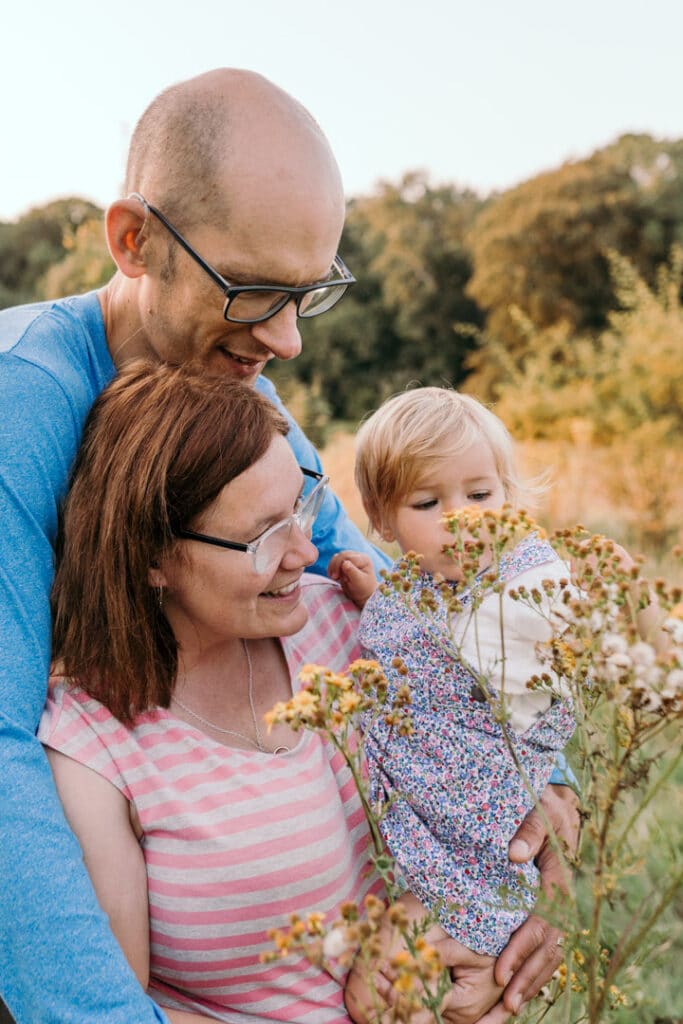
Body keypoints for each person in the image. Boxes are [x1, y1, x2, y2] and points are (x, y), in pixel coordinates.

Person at [0, 69, 575, 1023]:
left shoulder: (234, 384)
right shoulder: (21, 412)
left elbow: (380, 592)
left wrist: (523, 808)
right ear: (133, 240)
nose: (288, 340)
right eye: (255, 291)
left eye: (308, 294)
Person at [41, 361, 528, 1024]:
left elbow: (499, 756)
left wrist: (506, 928)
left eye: (303, 506)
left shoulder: (351, 621)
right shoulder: (94, 741)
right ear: (151, 557)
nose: (305, 549)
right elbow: (115, 1010)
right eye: (263, 534)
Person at [329, 387, 579, 1021]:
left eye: (479, 494)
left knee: (376, 996)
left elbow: (530, 673)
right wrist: (379, 599)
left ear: (507, 494)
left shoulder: (522, 583)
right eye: (427, 502)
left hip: (477, 852)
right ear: (382, 521)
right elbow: (428, 641)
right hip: (431, 839)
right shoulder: (421, 582)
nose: (461, 518)